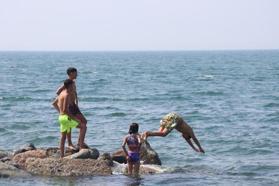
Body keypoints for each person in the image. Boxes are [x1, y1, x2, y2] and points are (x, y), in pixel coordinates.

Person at [52, 67, 88, 150]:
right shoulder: (68, 83)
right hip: (70, 106)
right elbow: (58, 92)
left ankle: (79, 142)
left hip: (74, 106)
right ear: (71, 74)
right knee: (70, 126)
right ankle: (72, 143)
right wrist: (64, 98)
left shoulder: (73, 82)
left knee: (84, 121)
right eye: (75, 73)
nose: (77, 74)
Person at [56, 79, 87, 157]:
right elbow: (65, 110)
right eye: (73, 85)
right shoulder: (66, 95)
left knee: (63, 137)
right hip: (66, 118)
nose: (74, 87)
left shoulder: (61, 94)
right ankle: (81, 147)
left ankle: (62, 156)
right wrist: (75, 119)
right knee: (83, 126)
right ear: (70, 86)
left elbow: (57, 105)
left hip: (61, 117)